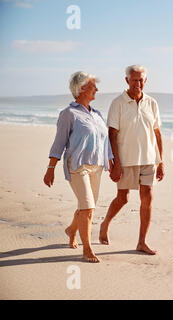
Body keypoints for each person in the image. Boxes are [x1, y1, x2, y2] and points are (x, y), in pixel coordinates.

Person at [43, 71, 114, 263]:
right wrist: (51, 168)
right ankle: (87, 249)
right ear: (82, 88)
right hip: (77, 165)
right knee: (88, 208)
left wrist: (111, 161)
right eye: (93, 85)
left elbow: (105, 142)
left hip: (97, 166)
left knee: (86, 207)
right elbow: (59, 142)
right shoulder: (68, 114)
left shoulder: (97, 114)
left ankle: (71, 229)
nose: (97, 89)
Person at [99, 64, 164, 255]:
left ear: (145, 81)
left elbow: (157, 132)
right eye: (134, 80)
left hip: (149, 159)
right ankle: (105, 224)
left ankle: (141, 242)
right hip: (126, 160)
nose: (137, 83)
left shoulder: (152, 103)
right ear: (127, 80)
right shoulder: (118, 103)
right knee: (123, 198)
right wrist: (115, 163)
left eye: (141, 80)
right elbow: (112, 134)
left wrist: (160, 161)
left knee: (148, 197)